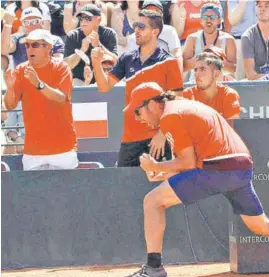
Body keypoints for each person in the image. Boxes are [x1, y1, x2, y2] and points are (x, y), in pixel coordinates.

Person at [118, 81, 269, 277]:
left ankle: (154, 268)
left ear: (153, 105)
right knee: (260, 225)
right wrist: (162, 173)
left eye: (138, 112)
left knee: (152, 201)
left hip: (218, 169)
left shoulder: (169, 117)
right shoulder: (185, 106)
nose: (139, 119)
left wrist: (155, 167)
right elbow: (193, 163)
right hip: (239, 168)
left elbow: (188, 162)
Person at [91, 9, 183, 167]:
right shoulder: (127, 58)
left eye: (141, 27)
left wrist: (162, 134)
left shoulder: (170, 62)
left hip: (158, 139)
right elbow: (104, 87)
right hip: (130, 138)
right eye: (135, 26)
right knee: (124, 188)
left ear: (155, 31)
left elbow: (177, 103)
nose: (136, 30)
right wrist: (96, 62)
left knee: (158, 187)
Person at [3, 29, 78, 171]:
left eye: (35, 45)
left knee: (66, 193)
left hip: (63, 148)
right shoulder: (20, 70)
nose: (30, 49)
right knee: (32, 193)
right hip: (33, 151)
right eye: (27, 45)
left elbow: (61, 98)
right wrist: (10, 88)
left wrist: (38, 84)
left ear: (49, 47)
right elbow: (10, 105)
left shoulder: (61, 68)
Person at [64, 4, 118, 85]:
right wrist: (81, 50)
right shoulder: (72, 36)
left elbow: (116, 61)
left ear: (98, 20)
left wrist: (98, 45)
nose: (83, 21)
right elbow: (67, 65)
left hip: (104, 78)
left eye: (88, 18)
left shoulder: (109, 34)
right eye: (81, 18)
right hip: (79, 80)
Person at [182, 52, 240, 126]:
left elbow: (230, 131)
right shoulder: (187, 94)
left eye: (202, 69)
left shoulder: (229, 95)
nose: (197, 74)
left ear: (216, 74)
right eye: (195, 70)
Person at [183, 2, 236, 81]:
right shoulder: (192, 38)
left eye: (213, 17)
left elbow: (233, 68)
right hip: (197, 82)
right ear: (201, 20)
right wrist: (202, 57)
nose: (208, 20)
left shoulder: (228, 39)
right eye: (205, 17)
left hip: (220, 83)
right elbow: (184, 67)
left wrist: (215, 59)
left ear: (219, 20)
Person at [126, 0, 182, 69]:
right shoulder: (133, 37)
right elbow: (130, 63)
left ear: (161, 15)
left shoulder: (170, 31)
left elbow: (177, 55)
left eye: (156, 11)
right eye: (148, 11)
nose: (152, 14)